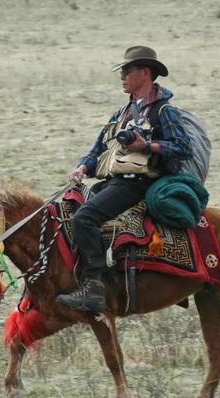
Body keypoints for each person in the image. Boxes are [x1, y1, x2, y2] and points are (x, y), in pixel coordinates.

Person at [56, 46, 209, 313]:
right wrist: (82, 167)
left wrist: (147, 146)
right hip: (116, 181)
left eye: (128, 71)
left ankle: (95, 287)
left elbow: (182, 147)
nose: (123, 76)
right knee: (70, 215)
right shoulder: (121, 113)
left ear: (145, 73)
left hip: (139, 184)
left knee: (85, 218)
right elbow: (98, 149)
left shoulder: (163, 112)